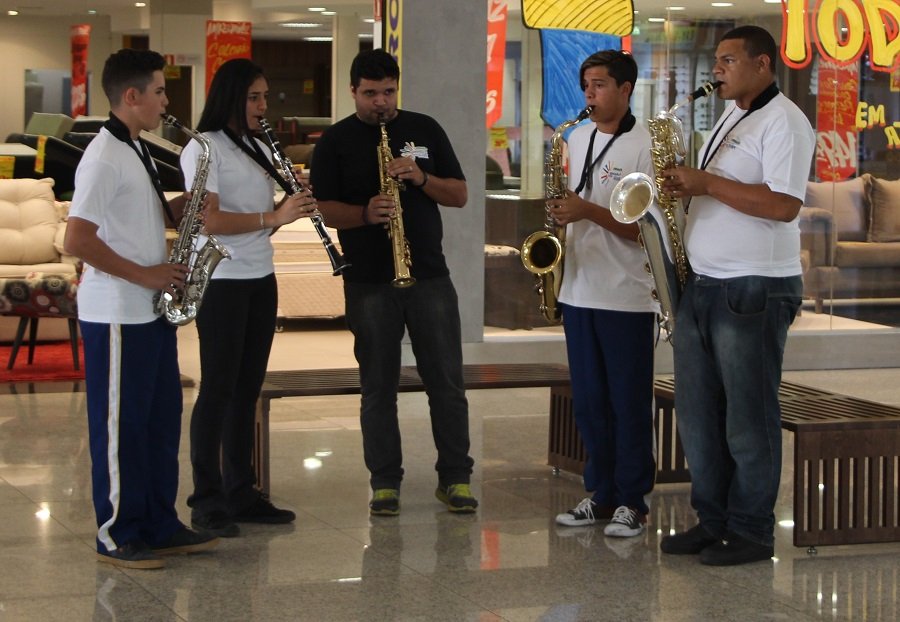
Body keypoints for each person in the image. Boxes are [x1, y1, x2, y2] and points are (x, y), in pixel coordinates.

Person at [659, 25, 815, 565]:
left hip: (753, 286)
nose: (717, 70)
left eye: (728, 60)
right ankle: (714, 521)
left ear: (763, 64)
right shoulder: (733, 113)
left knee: (748, 418)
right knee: (699, 416)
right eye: (717, 60)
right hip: (704, 283)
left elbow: (782, 205)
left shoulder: (785, 123)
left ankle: (750, 532)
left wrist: (704, 184)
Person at [64, 48, 218, 569]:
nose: (165, 101)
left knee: (158, 419)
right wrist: (147, 274)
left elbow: (132, 217)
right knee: (120, 427)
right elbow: (77, 239)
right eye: (159, 91)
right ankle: (116, 532)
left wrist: (184, 206)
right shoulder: (104, 155)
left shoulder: (135, 147)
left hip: (149, 310)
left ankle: (157, 521)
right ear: (132, 96)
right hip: (116, 312)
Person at [311, 49, 477, 516]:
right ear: (353, 92)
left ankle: (456, 478)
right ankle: (385, 482)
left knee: (446, 382)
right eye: (370, 94)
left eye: (387, 92)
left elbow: (460, 194)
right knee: (377, 386)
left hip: (428, 275)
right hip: (368, 281)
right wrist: (364, 213)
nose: (380, 102)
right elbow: (322, 208)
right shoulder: (336, 140)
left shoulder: (424, 129)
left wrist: (421, 177)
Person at [181, 58, 317, 537]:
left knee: (247, 388)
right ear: (231, 98)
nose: (263, 106)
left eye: (264, 97)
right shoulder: (204, 149)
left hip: (260, 275)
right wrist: (273, 218)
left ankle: (241, 491)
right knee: (217, 388)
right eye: (254, 98)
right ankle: (206, 498)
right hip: (221, 280)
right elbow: (209, 221)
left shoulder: (259, 145)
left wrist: (296, 202)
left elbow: (270, 213)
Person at [548, 50, 657, 538]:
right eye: (586, 85)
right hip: (579, 288)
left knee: (627, 401)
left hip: (626, 294)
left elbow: (646, 232)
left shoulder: (646, 145)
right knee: (589, 401)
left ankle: (633, 501)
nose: (589, 95)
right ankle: (601, 492)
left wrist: (585, 211)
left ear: (626, 88)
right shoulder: (577, 135)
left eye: (599, 85)